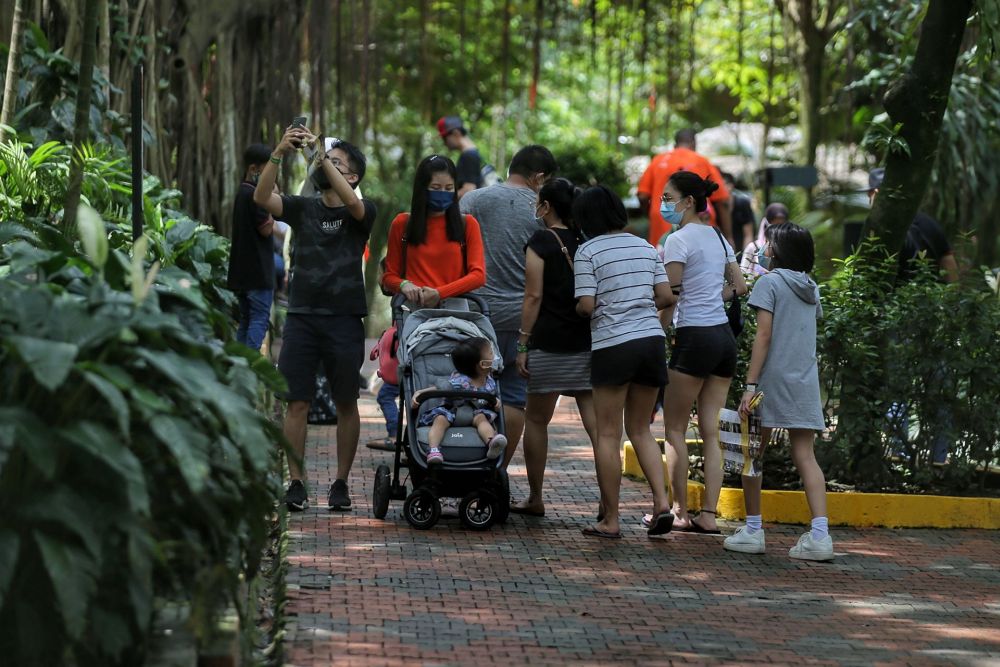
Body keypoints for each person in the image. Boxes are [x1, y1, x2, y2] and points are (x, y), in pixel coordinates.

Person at [254, 123, 376, 512]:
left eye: (339, 163)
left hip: (344, 318)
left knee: (345, 402)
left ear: (353, 176)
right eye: (327, 160)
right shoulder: (303, 207)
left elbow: (353, 204)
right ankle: (296, 482)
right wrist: (279, 151)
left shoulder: (363, 211)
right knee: (296, 402)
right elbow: (261, 197)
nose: (327, 166)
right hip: (303, 316)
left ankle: (340, 483)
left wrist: (320, 155)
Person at [724, 223, 834, 560]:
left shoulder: (770, 283)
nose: (764, 249)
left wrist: (750, 385)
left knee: (753, 453)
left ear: (779, 250)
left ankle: (754, 530)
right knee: (806, 457)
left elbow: (764, 336)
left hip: (769, 384)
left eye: (769, 244)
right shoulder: (811, 287)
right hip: (804, 383)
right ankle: (820, 536)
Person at [573, 185, 677, 539]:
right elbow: (665, 296)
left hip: (613, 344)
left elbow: (586, 305)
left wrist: (585, 308)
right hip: (650, 341)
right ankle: (662, 504)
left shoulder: (587, 251)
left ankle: (611, 520)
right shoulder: (645, 246)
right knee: (641, 429)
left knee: (607, 433)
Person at [660, 171, 748, 534]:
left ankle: (679, 512)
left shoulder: (677, 240)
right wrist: (714, 297)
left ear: (689, 201)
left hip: (693, 337)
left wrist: (657, 330)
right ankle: (709, 515)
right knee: (710, 430)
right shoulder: (718, 236)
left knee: (675, 429)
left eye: (668, 197)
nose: (663, 203)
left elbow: (670, 296)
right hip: (722, 339)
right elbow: (740, 286)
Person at [460, 145, 559, 465]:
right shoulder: (545, 209)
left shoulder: (473, 200)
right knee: (515, 399)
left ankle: (464, 463)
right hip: (524, 320)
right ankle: (496, 472)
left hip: (475, 317)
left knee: (467, 392)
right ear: (538, 177)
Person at [511, 178, 597, 517]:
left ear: (546, 206)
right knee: (599, 430)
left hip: (548, 343)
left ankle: (535, 497)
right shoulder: (585, 241)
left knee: (536, 420)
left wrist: (522, 342)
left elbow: (533, 296)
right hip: (586, 342)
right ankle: (608, 503)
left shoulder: (541, 241)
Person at [867, 167, 957, 465]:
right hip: (932, 314)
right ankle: (940, 457)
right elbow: (950, 268)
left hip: (897, 318)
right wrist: (944, 303)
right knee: (938, 388)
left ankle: (898, 454)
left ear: (877, 194)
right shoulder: (929, 224)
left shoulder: (883, 229)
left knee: (897, 388)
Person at [382, 154, 487, 307]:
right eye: (436, 188)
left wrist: (439, 293)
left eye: (449, 188)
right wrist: (403, 284)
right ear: (422, 188)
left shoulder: (468, 224)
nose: (443, 193)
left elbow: (479, 275)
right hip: (413, 310)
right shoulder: (402, 224)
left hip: (455, 311)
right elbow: (389, 276)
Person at [413, 337, 508, 465]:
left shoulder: (489, 381)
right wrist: (420, 393)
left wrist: (495, 401)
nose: (494, 355)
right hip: (451, 411)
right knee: (440, 420)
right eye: (491, 352)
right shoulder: (460, 380)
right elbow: (440, 388)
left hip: (475, 413)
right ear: (483, 364)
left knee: (482, 419)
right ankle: (434, 449)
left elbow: (491, 396)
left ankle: (491, 442)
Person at [637, 128, 733, 247]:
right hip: (700, 231)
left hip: (661, 227)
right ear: (694, 143)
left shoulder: (657, 161)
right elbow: (723, 202)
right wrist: (728, 237)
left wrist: (651, 214)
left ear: (675, 144)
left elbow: (642, 196)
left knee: (662, 260)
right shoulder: (702, 161)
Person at [227, 143, 276, 351]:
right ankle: (252, 367)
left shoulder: (241, 192)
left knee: (246, 320)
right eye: (268, 169)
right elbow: (266, 229)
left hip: (242, 273)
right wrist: (272, 204)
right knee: (259, 319)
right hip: (258, 272)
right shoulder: (256, 197)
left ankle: (241, 365)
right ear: (254, 170)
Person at [437, 115, 485, 200]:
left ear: (456, 133)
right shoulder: (470, 153)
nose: (444, 142)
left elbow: (469, 189)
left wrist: (443, 198)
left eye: (445, 138)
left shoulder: (469, 155)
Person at [741, 203, 789, 277]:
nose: (777, 229)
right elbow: (743, 273)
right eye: (775, 223)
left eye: (781, 224)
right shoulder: (753, 247)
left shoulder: (789, 247)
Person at [721, 171, 756, 254]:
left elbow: (748, 234)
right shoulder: (715, 206)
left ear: (730, 186)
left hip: (740, 251)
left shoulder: (742, 203)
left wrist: (745, 256)